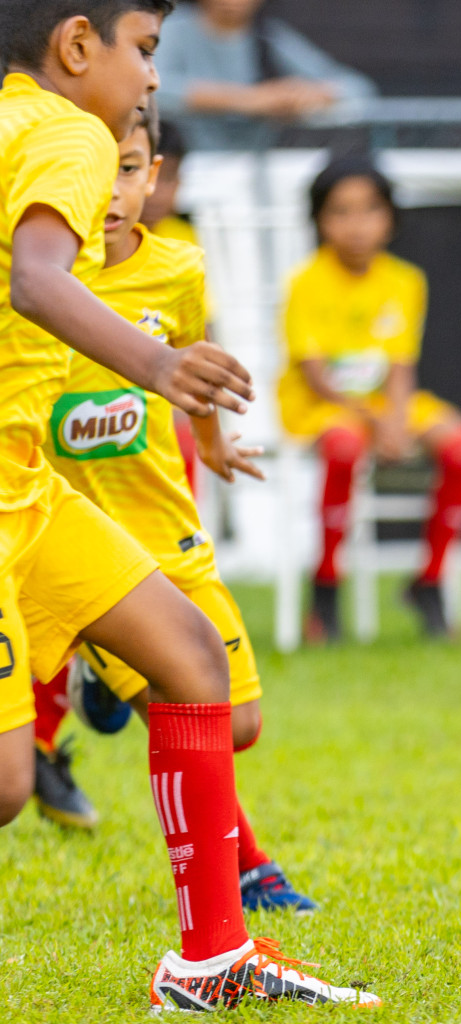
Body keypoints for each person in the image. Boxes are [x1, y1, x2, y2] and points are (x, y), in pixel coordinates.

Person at [0, 1, 376, 1009]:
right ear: (79, 47)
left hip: (26, 485)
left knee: (188, 654)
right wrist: (159, 362)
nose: (154, 81)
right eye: (148, 52)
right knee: (2, 785)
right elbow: (39, 282)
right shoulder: (70, 130)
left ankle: (213, 954)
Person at [27, 106, 320, 916]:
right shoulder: (42, 281)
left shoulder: (179, 268)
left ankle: (99, 680)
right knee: (178, 706)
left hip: (169, 524)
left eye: (129, 169)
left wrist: (214, 441)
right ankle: (248, 872)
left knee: (239, 722)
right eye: (99, 170)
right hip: (85, 541)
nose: (112, 191)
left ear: (155, 176)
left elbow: (191, 358)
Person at [278, 157, 461, 641]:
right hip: (322, 407)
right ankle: (326, 584)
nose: (356, 225)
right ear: (319, 220)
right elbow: (316, 376)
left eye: (370, 210)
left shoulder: (405, 280)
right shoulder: (304, 282)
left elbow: (399, 366)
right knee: (345, 447)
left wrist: (393, 419)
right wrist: (377, 422)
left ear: (390, 218)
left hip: (383, 403)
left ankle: (429, 579)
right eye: (340, 212)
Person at [154, 0, 375, 151]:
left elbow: (358, 88)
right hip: (181, 168)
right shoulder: (170, 29)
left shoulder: (269, 37)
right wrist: (248, 99)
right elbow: (152, 89)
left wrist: (308, 94)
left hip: (253, 169)